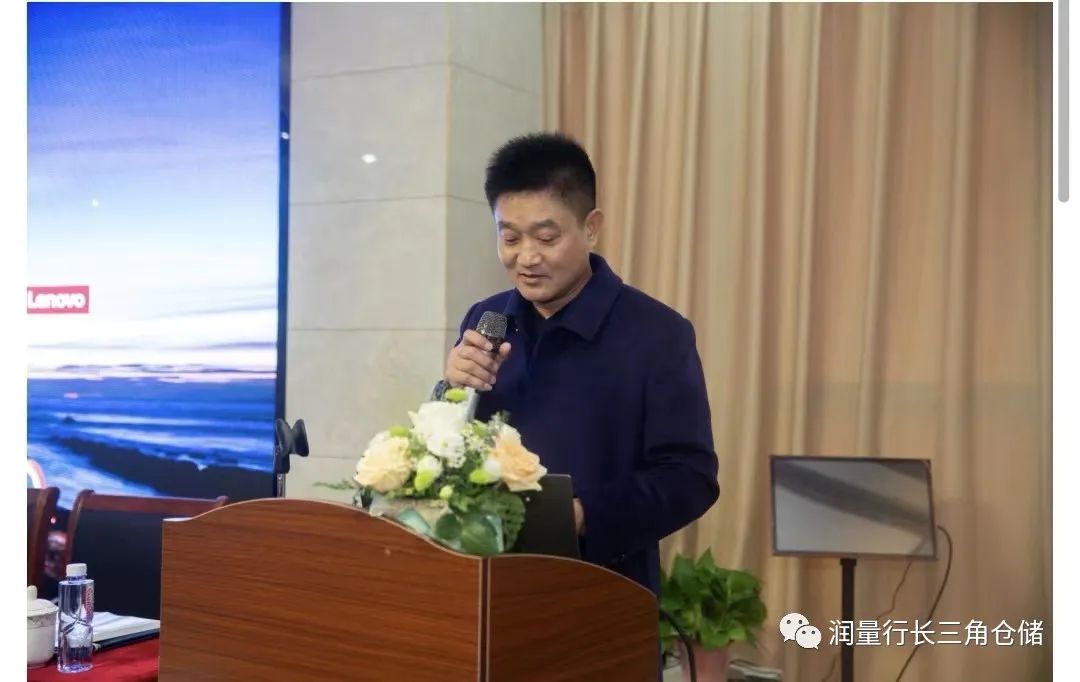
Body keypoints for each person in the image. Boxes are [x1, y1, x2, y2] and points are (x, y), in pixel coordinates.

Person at [436, 132, 719, 599]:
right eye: (509, 237)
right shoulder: (486, 320)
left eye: (546, 237)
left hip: (603, 590)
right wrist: (448, 389)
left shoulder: (657, 334)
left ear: (591, 228)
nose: (526, 257)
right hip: (486, 585)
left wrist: (586, 515)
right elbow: (451, 448)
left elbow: (690, 478)